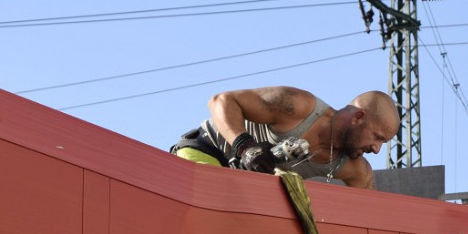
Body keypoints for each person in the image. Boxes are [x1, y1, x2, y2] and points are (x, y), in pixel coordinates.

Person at [170, 86, 400, 189]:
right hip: (208, 151)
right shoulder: (299, 106)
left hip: (242, 188)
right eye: (377, 137)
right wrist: (245, 146)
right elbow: (221, 101)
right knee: (209, 197)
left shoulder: (355, 170)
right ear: (358, 117)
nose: (377, 149)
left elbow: (365, 217)